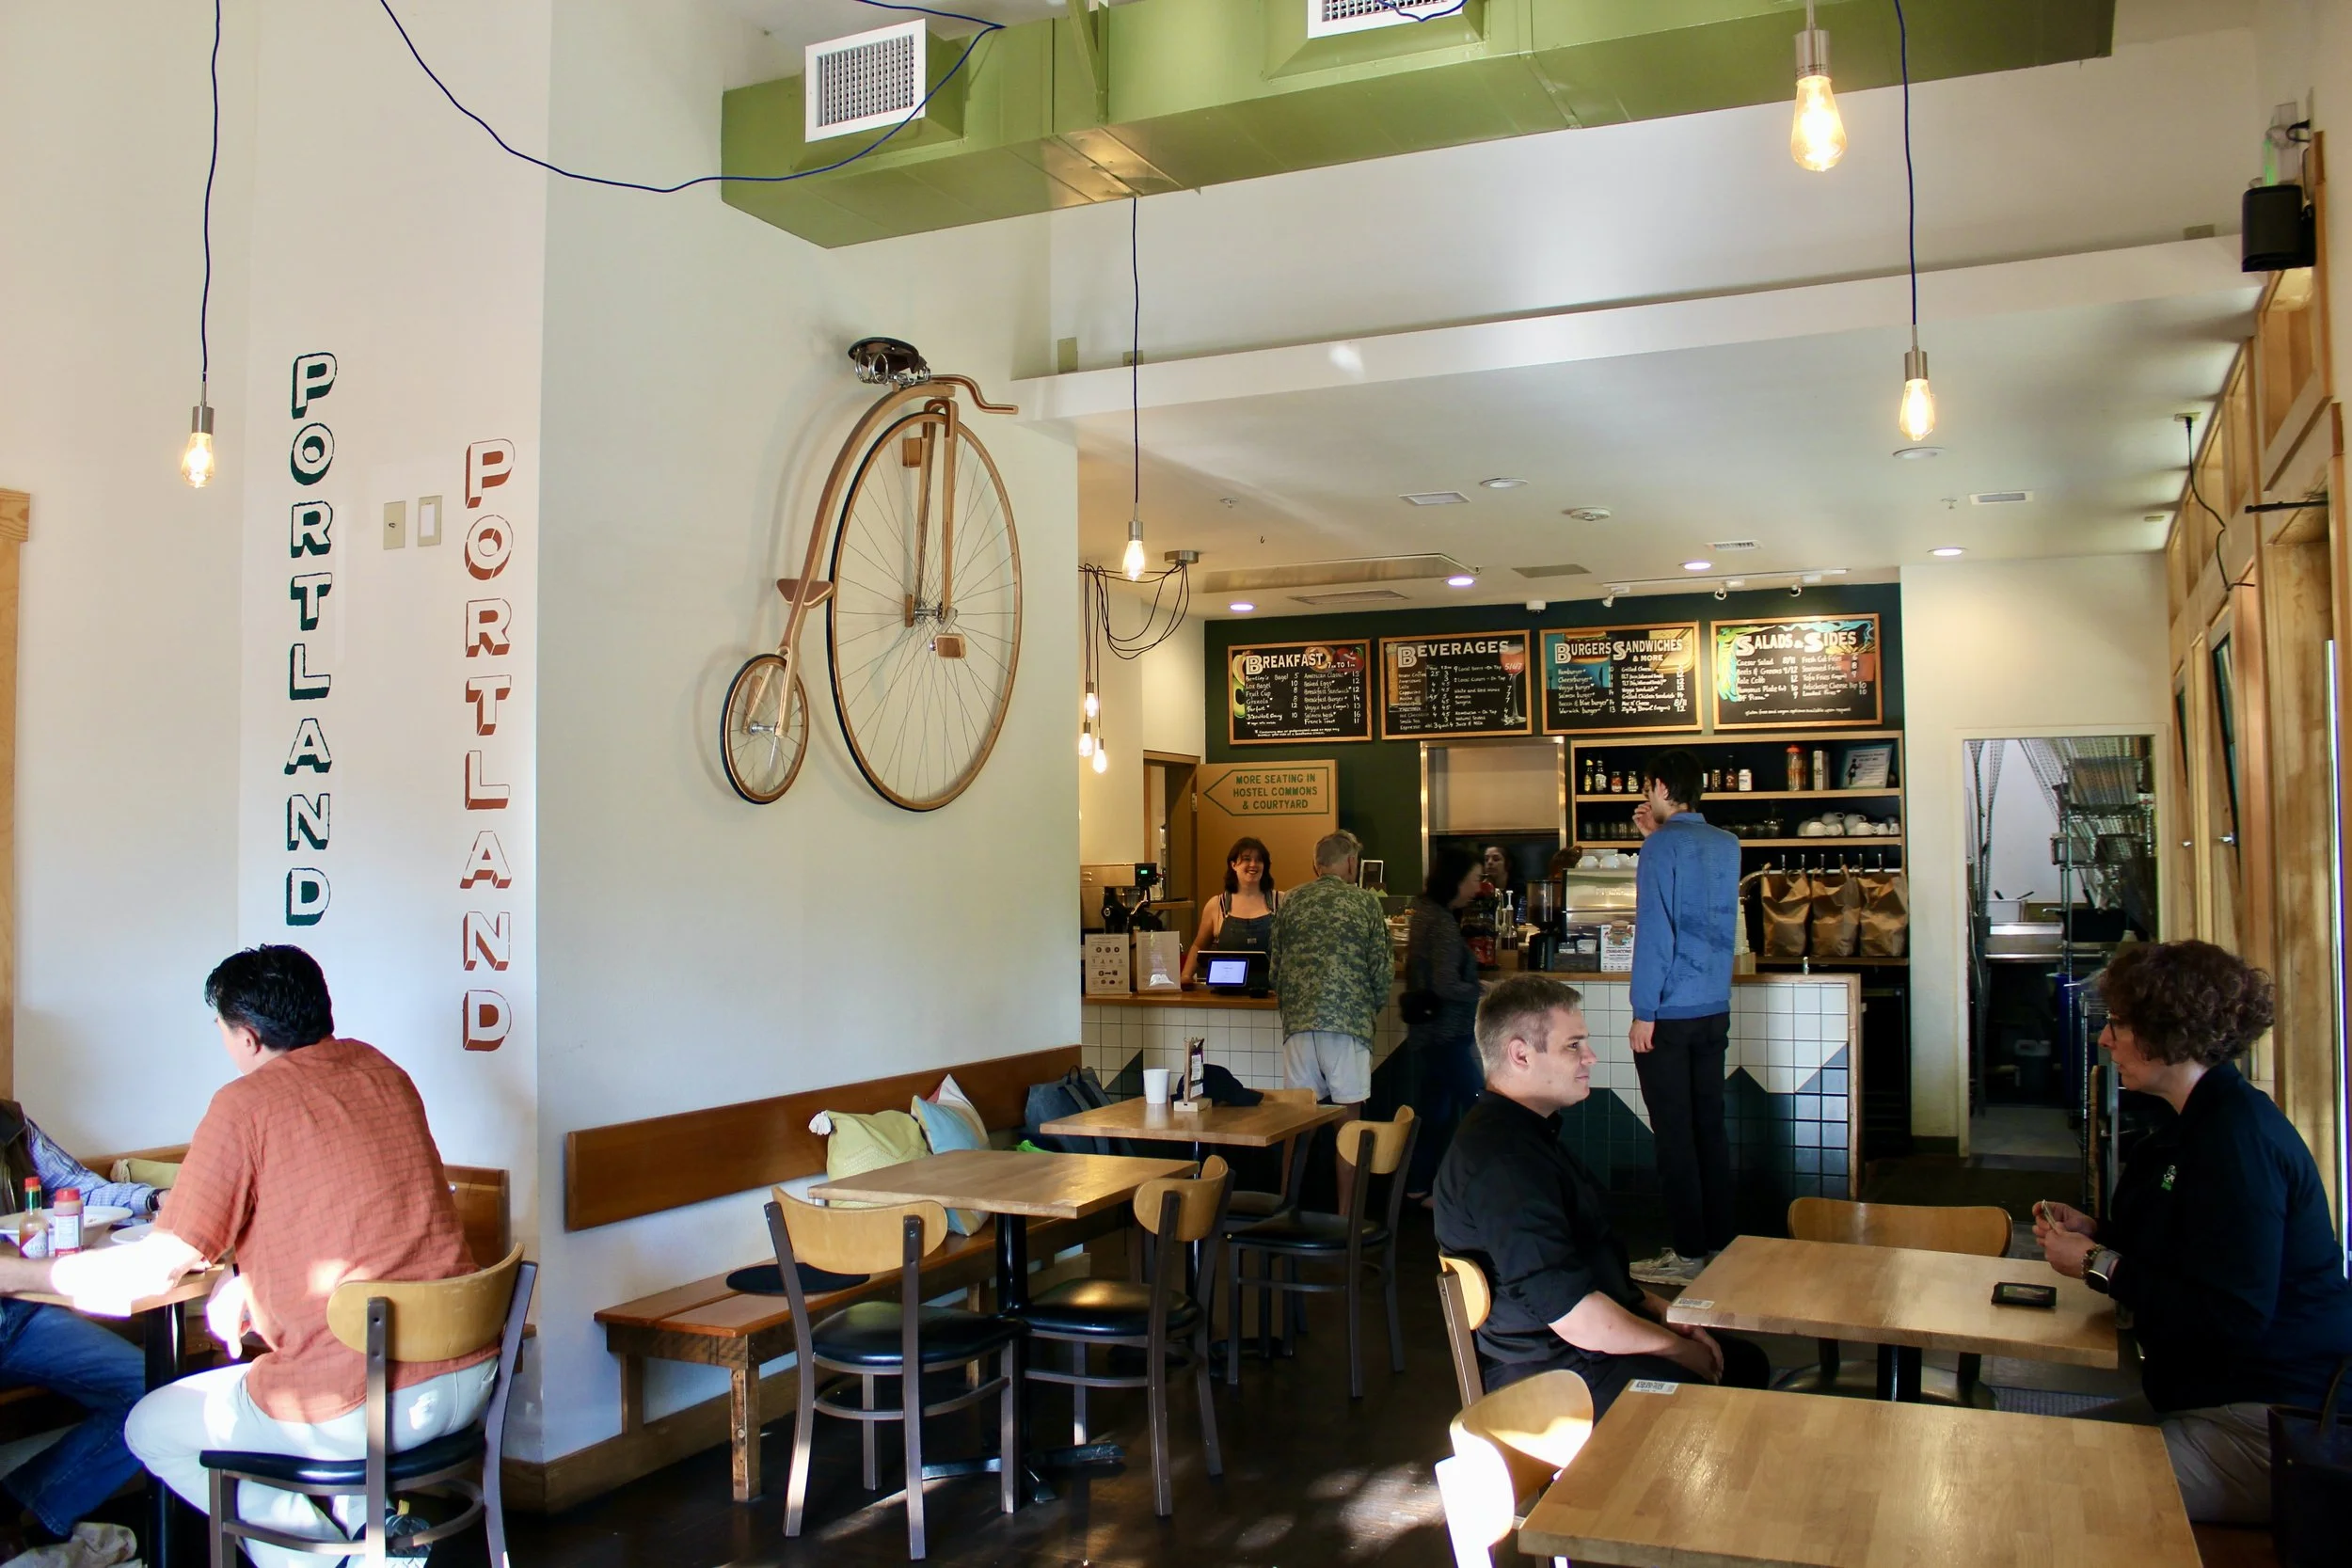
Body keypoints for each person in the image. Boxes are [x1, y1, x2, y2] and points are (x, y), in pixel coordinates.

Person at [30, 946, 493, 1568]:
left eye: (220, 1030)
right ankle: (371, 1527)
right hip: (465, 1376)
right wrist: (248, 1273)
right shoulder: (384, 1072)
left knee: (151, 1425)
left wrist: (29, 1273)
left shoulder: (245, 1104)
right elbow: (354, 1212)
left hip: (359, 1403)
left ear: (246, 1035)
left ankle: (333, 1557)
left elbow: (157, 1266)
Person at [2035, 941, 2352, 1524]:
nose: (2105, 1040)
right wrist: (2097, 1232)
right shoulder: (2199, 1125)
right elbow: (2192, 1247)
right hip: (2209, 1400)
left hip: (2275, 1424)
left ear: (2169, 1033)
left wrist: (2098, 1263)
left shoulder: (2237, 1144)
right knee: (2026, 1454)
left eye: (2120, 1024)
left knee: (2051, 1487)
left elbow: (2230, 1312)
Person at [1434, 974, 1770, 1413]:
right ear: (1520, 1054)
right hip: (1556, 1375)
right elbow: (1573, 1316)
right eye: (1573, 1045)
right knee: (1722, 1389)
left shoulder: (1526, 1135)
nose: (1590, 1057)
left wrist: (1667, 1317)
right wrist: (1677, 1349)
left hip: (1582, 1350)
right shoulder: (1503, 1164)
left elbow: (1594, 1272)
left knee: (1746, 1363)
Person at [1625, 749, 1740, 1284]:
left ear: (1663, 787)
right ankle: (1718, 1245)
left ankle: (1687, 1256)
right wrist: (1656, 837)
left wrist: (1643, 1011)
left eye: (1649, 788)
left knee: (1673, 1136)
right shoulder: (1726, 844)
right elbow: (1696, 909)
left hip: (1668, 1014)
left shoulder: (1661, 849)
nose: (1646, 797)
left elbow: (1656, 932)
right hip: (1714, 1007)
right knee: (1707, 1129)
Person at [1268, 830, 1392, 1117]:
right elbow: (1381, 971)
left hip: (1298, 1027)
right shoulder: (1366, 902)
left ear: (1316, 865)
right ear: (1351, 863)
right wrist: (1365, 1011)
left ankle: (1292, 1166)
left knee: (1297, 1122)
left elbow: (1275, 969)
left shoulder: (1290, 901)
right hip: (1347, 1025)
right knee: (1347, 1125)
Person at [1402, 847, 1485, 1201]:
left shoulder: (1425, 913)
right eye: (1475, 879)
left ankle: (1418, 1187)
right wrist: (1481, 989)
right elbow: (1446, 984)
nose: (1478, 887)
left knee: (1434, 1114)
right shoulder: (1442, 923)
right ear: (1457, 880)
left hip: (1429, 1032)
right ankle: (1491, 1189)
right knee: (1480, 1108)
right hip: (1446, 1032)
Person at [1184, 837, 1281, 983]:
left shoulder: (1282, 901)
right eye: (1247, 859)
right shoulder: (1216, 905)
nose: (1253, 865)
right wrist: (1185, 976)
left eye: (1259, 860)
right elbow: (1198, 945)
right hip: (1227, 994)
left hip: (1273, 994)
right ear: (1233, 864)